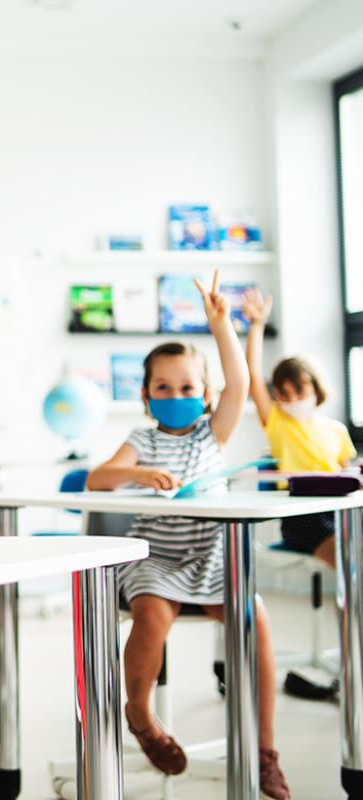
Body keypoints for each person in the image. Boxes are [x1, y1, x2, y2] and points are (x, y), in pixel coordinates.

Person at [86, 272, 289, 800]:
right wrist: (137, 474)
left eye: (187, 388)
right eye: (163, 388)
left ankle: (265, 751)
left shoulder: (211, 433)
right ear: (146, 396)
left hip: (214, 556)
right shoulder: (140, 439)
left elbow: (241, 385)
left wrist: (221, 324)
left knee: (257, 619)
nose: (176, 396)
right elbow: (98, 478)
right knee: (152, 612)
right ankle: (141, 715)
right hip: (156, 557)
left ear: (205, 395)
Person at [243, 288, 355, 567]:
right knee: (351, 562)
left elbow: (348, 472)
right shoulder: (278, 423)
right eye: (283, 393)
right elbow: (253, 375)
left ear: (316, 388)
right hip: (302, 515)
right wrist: (256, 325)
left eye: (299, 390)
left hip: (336, 508)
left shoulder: (336, 430)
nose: (291, 399)